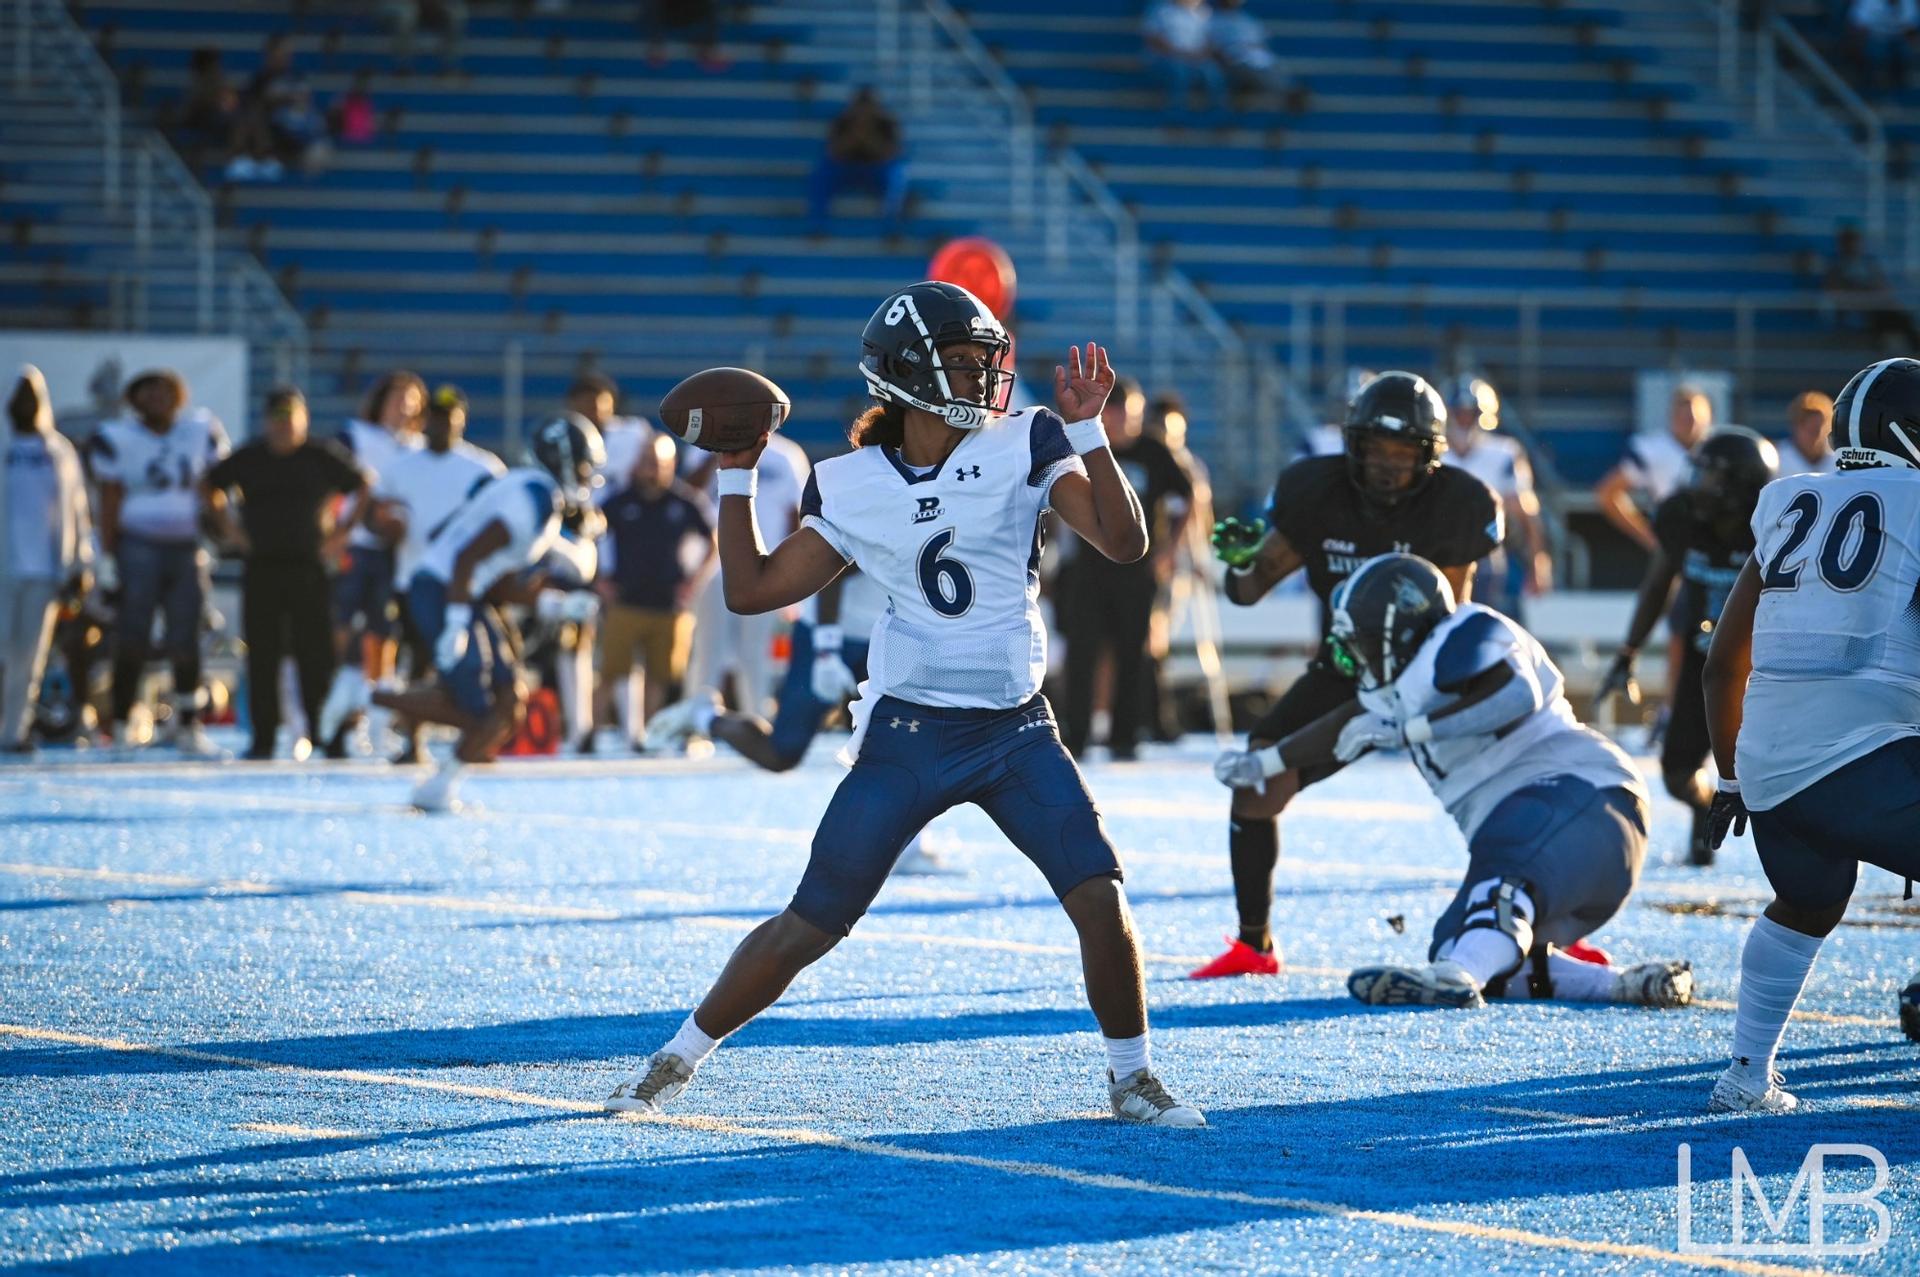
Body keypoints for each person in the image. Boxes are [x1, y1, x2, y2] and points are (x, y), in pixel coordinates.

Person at [603, 281, 1203, 1127]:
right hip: (909, 733)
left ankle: (1133, 1076)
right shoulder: (849, 482)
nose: (982, 377)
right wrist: (736, 478)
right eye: (961, 362)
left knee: (1099, 894)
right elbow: (751, 588)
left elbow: (1123, 539)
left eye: (985, 360)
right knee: (811, 921)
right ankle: (675, 1058)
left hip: (1017, 729)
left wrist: (1088, 433)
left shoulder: (1027, 439)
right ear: (906, 374)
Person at [1215, 554, 1693, 1010]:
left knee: (1497, 888)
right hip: (1554, 843)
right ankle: (1619, 985)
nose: (1352, 654)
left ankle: (1457, 982)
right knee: (1457, 942)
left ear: (1396, 628)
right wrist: (1265, 763)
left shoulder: (1463, 631)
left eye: (1359, 638)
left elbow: (1515, 694)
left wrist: (1412, 730)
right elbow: (1344, 723)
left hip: (1585, 801)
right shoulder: (1399, 680)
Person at [1190, 371, 1503, 979]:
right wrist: (1236, 563)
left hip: (1433, 678)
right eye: (1377, 450)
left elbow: (1454, 620)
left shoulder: (1457, 503)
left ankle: (1550, 932)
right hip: (1346, 669)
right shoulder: (1317, 490)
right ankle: (1254, 945)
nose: (1388, 466)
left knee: (1509, 798)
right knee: (1256, 779)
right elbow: (1252, 589)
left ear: (1429, 457)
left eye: (1404, 453)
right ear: (1353, 447)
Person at [1699, 356, 1920, 1112]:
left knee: (1807, 901)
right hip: (1867, 757)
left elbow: (1722, 664)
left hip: (1770, 768)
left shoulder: (1789, 501)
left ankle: (1744, 1075)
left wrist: (1731, 777)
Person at [374, 413, 603, 811]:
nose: (587, 477)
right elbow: (465, 559)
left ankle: (441, 786)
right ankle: (373, 699)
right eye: (583, 467)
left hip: (462, 593)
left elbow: (493, 577)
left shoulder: (531, 492)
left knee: (508, 704)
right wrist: (457, 626)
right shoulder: (532, 500)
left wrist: (556, 604)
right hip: (443, 591)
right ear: (562, 459)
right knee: (474, 707)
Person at [1596, 429, 1779, 866]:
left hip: (1769, 664)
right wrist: (1628, 651)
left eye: (1711, 477)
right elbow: (1660, 582)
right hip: (1706, 660)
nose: (1697, 485)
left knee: (1785, 776)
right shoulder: (1681, 514)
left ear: (1740, 487)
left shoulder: (1775, 522)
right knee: (1678, 773)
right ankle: (1704, 808)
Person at [201, 389, 370, 760]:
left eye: (290, 416)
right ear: (266, 421)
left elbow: (363, 484)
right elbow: (209, 484)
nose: (284, 425)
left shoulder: (319, 455)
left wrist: (340, 534)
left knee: (318, 657)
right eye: (277, 417)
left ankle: (328, 735)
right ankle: (262, 739)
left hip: (310, 567)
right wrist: (230, 531)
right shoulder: (251, 457)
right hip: (262, 566)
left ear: (304, 418)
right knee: (263, 654)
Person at [85, 369, 231, 755]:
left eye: (165, 392)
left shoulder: (199, 430)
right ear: (134, 400)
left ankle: (187, 724)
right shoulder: (119, 437)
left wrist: (225, 529)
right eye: (148, 393)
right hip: (138, 546)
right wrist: (109, 555)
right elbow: (110, 497)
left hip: (185, 546)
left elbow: (210, 487)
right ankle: (118, 725)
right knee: (131, 637)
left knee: (187, 638)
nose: (158, 400)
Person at [364, 384, 506, 762]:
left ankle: (480, 736)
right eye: (437, 418)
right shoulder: (401, 465)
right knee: (421, 665)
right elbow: (373, 513)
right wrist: (385, 525)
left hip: (469, 585)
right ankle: (415, 741)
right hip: (414, 579)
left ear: (462, 420)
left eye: (450, 418)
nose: (443, 426)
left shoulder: (483, 467)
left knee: (481, 663)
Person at [1056, 375, 1194, 759]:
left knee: (1134, 653)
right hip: (1088, 567)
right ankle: (1078, 734)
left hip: (1137, 570)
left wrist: (1170, 551)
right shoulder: (1086, 448)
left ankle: (1125, 735)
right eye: (1120, 414)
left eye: (1133, 414)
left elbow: (1189, 494)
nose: (1126, 423)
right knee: (1082, 653)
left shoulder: (1152, 451)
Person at [317, 370, 425, 756]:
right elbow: (329, 486)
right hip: (357, 546)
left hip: (400, 554)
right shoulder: (355, 437)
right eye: (398, 398)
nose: (405, 407)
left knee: (385, 635)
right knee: (345, 630)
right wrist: (335, 531)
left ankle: (374, 715)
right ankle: (340, 716)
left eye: (411, 400)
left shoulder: (419, 447)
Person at [596, 433, 713, 744]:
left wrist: (693, 582)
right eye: (646, 461)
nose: (651, 469)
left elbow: (712, 541)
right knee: (610, 672)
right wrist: (599, 580)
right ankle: (589, 735)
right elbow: (591, 535)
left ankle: (649, 735)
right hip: (626, 600)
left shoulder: (684, 501)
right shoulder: (620, 502)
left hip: (667, 603)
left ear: (671, 465)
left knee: (659, 677)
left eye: (657, 463)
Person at [681, 432, 808, 718]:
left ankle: (758, 722)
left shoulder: (787, 454)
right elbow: (686, 498)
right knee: (708, 650)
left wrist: (790, 576)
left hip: (766, 567)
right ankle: (695, 721)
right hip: (713, 569)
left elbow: (796, 517)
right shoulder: (702, 450)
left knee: (757, 655)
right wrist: (717, 456)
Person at [1, 367, 92, 753]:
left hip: (42, 572)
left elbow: (76, 510)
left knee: (29, 656)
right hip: (4, 570)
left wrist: (79, 563)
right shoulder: (3, 448)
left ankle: (13, 732)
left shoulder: (57, 452)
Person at [1441, 376, 1552, 622]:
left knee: (1490, 621)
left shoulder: (1502, 452)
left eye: (1470, 413)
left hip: (1487, 553)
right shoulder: (1434, 451)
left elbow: (1526, 511)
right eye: (1459, 413)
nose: (1464, 420)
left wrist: (1538, 560)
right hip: (1439, 549)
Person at [1594, 384, 1713, 555]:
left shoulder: (1721, 449)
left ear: (1709, 416)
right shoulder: (1654, 449)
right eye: (1683, 414)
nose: (1690, 420)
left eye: (1695, 415)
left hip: (1717, 548)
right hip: (1677, 545)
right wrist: (1651, 539)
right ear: (1671, 416)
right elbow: (1608, 493)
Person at [807, 87, 908, 233]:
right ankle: (818, 226)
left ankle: (891, 228)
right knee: (821, 175)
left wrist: (868, 138)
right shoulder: (842, 121)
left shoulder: (888, 123)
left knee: (896, 176)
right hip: (845, 168)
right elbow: (832, 152)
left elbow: (892, 154)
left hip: (877, 169)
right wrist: (854, 136)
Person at [1143, 0, 1228, 119]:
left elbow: (1211, 40)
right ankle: (1175, 117)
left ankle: (1219, 117)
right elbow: (1153, 39)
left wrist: (1201, 54)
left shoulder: (1205, 11)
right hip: (1166, 58)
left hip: (1197, 58)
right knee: (1180, 73)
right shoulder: (1160, 9)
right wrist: (1181, 54)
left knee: (1213, 73)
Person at [1776, 390, 1837, 475]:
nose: (1816, 436)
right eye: (1809, 429)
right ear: (1795, 426)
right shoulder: (1775, 460)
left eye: (1818, 428)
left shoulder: (1840, 462)